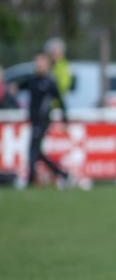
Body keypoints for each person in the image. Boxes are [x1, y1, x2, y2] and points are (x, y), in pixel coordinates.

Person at [22, 53, 69, 186]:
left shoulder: (49, 82)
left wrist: (65, 119)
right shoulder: (32, 80)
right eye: (36, 63)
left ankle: (30, 179)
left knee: (33, 150)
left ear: (46, 65)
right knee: (36, 151)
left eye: (40, 63)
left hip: (42, 121)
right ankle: (61, 173)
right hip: (34, 121)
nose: (38, 65)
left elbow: (60, 101)